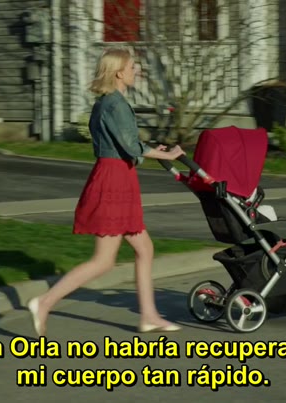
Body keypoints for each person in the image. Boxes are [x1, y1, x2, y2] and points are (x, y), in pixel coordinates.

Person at [26, 48, 186, 337]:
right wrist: (167, 154)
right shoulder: (115, 104)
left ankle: (149, 316)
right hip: (113, 182)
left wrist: (151, 150)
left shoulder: (107, 103)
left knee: (145, 248)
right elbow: (130, 146)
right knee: (104, 260)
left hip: (117, 176)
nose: (136, 70)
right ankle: (44, 302)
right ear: (119, 73)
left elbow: (122, 145)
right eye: (132, 66)